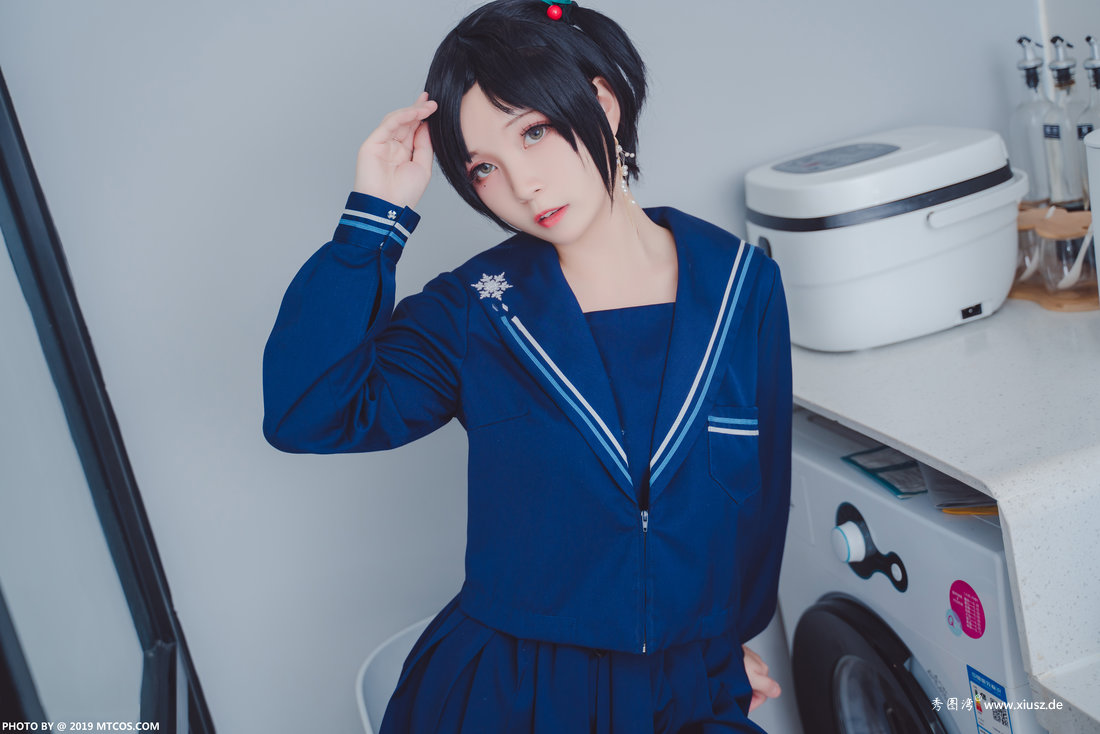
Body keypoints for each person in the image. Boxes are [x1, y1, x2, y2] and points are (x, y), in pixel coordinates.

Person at [262, 0, 792, 731]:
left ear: (602, 103)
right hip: (516, 696)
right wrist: (372, 218)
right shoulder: (475, 310)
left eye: (533, 132)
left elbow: (760, 496)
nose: (522, 186)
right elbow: (307, 412)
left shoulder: (741, 285)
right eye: (484, 168)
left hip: (687, 686)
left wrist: (721, 643)